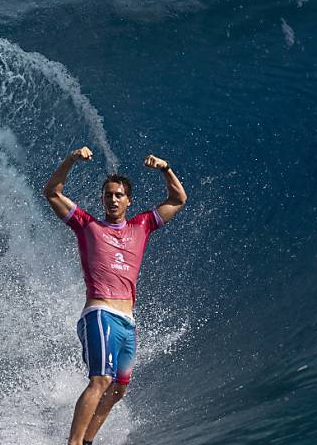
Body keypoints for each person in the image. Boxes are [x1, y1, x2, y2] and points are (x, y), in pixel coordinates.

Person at [43, 146, 187, 445]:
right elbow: (52, 193)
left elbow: (178, 199)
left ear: (128, 200)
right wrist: (70, 159)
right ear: (102, 199)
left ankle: (86, 442)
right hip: (100, 313)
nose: (112, 199)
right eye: (108, 195)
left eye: (118, 195)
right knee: (101, 379)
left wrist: (165, 168)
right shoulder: (87, 226)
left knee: (119, 389)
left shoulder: (142, 225)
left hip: (127, 323)